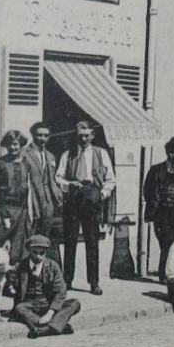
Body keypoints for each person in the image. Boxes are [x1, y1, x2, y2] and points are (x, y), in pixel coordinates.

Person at [56, 120, 115, 295]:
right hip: (73, 198)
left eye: (87, 136)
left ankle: (94, 282)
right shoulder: (68, 154)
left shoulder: (101, 153)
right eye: (80, 136)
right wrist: (68, 185)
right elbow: (58, 177)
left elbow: (110, 179)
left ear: (93, 135)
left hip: (92, 198)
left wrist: (102, 195)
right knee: (70, 241)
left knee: (92, 242)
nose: (84, 139)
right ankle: (67, 280)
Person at [142, 135, 174, 282]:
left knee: (172, 243)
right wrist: (154, 206)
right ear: (167, 152)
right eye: (172, 152)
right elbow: (147, 191)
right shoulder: (156, 170)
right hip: (161, 212)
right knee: (167, 242)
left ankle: (166, 273)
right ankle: (165, 274)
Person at [11, 234, 81, 339]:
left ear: (46, 253)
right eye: (34, 252)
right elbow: (9, 285)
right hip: (29, 305)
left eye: (42, 253)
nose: (38, 256)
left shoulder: (53, 266)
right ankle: (57, 325)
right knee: (19, 308)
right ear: (29, 250)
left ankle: (43, 329)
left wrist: (49, 313)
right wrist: (9, 284)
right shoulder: (20, 266)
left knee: (74, 303)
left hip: (49, 304)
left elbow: (61, 292)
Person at [0, 130, 34, 267]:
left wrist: (30, 212)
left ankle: (13, 282)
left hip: (21, 211)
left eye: (15, 144)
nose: (13, 147)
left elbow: (29, 188)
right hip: (4, 210)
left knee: (19, 247)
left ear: (20, 144)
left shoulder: (26, 163)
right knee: (1, 244)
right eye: (9, 144)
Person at [23, 121, 62, 241]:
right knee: (30, 233)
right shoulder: (24, 154)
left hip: (48, 200)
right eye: (40, 135)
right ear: (33, 135)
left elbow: (53, 180)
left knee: (45, 235)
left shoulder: (50, 156)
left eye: (46, 135)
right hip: (31, 197)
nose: (43, 138)